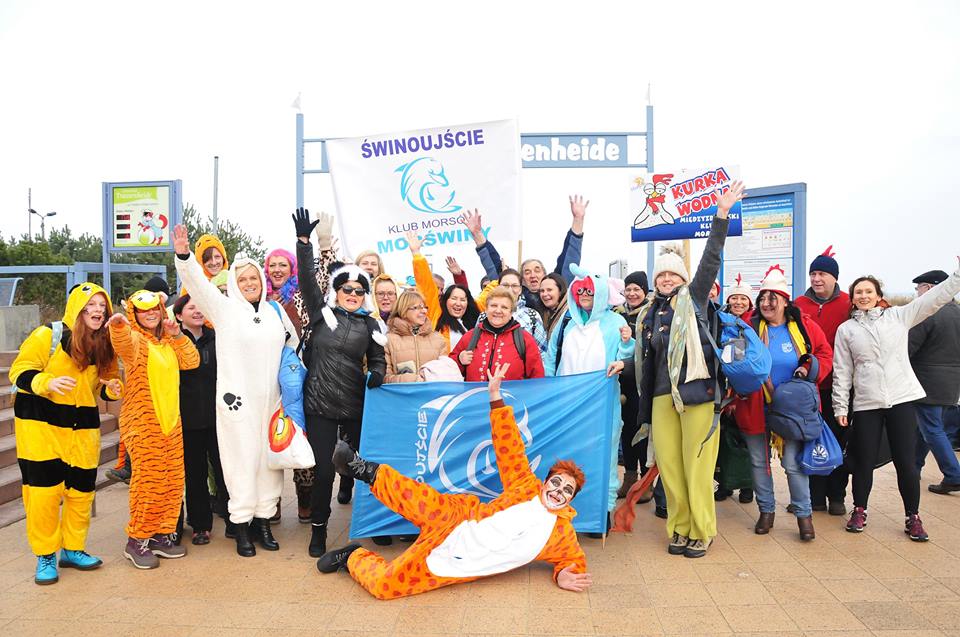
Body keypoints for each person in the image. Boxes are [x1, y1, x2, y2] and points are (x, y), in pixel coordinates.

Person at [317, 363, 592, 599]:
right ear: (545, 482)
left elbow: (573, 560)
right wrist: (495, 396)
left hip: (455, 563)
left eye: (567, 490)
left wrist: (563, 576)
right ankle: (363, 469)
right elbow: (509, 445)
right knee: (417, 499)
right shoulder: (525, 485)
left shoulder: (562, 534)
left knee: (385, 587)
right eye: (556, 483)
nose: (558, 491)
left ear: (571, 499)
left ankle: (352, 557)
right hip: (458, 518)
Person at [633, 181, 744, 558]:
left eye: (673, 275)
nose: (666, 279)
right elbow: (647, 361)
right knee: (671, 468)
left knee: (697, 468)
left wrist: (721, 215)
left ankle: (702, 530)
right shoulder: (650, 314)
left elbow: (711, 258)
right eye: (661, 275)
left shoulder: (694, 298)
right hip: (662, 398)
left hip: (697, 394)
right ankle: (679, 528)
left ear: (683, 279)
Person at [174, 224, 300, 557]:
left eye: (253, 278)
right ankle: (241, 525)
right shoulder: (225, 310)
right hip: (237, 403)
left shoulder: (275, 312)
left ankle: (263, 521)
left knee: (268, 464)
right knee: (240, 461)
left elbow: (293, 345)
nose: (249, 284)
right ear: (234, 283)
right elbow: (199, 287)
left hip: (270, 401)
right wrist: (184, 257)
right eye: (242, 279)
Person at [833, 263, 960, 541]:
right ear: (852, 298)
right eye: (858, 292)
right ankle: (859, 510)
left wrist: (957, 275)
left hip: (901, 399)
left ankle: (913, 517)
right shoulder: (846, 330)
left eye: (868, 291)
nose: (863, 296)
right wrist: (840, 406)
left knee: (906, 462)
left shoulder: (899, 317)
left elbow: (934, 298)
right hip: (867, 403)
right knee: (863, 461)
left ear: (879, 295)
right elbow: (842, 371)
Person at [10, 283, 121, 585]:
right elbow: (19, 371)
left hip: (82, 430)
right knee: (43, 495)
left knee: (81, 493)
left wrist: (112, 388)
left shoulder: (104, 343)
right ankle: (45, 554)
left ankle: (72, 549)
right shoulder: (48, 335)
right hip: (41, 428)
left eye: (102, 305)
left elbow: (105, 383)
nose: (98, 310)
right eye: (91, 305)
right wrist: (46, 382)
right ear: (77, 308)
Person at [292, 208, 387, 558]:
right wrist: (305, 243)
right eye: (347, 288)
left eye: (359, 290)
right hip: (319, 405)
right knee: (322, 473)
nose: (352, 293)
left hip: (354, 407)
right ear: (337, 289)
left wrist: (377, 373)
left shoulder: (371, 326)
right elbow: (306, 280)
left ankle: (375, 524)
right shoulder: (322, 314)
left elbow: (378, 359)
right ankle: (319, 528)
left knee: (362, 469)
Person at [732, 266, 833, 541]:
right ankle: (766, 511)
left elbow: (824, 354)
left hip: (794, 410)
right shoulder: (747, 328)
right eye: (762, 298)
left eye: (772, 298)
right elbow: (733, 359)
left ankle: (804, 515)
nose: (766, 303)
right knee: (758, 462)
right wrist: (740, 377)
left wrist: (808, 368)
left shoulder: (805, 327)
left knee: (793, 463)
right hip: (755, 405)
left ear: (785, 301)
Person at [108, 290, 200, 569]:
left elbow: (191, 361)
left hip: (171, 422)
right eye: (143, 310)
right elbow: (123, 343)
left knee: (172, 481)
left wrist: (177, 334)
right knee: (148, 482)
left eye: (154, 309)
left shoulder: (167, 341)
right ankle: (137, 539)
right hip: (143, 423)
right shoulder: (136, 341)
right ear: (134, 314)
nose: (150, 313)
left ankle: (161, 535)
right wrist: (118, 326)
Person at [794, 246, 851, 515]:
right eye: (813, 274)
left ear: (834, 278)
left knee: (838, 441)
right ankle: (815, 496)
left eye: (822, 274)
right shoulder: (799, 304)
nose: (816, 279)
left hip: (839, 388)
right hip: (809, 388)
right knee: (811, 439)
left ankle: (837, 495)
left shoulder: (848, 303)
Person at [463, 196, 585, 314]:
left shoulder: (555, 290)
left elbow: (568, 259)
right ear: (522, 281)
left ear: (544, 274)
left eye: (537, 270)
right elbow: (494, 265)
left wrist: (578, 220)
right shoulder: (515, 293)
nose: (532, 275)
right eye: (527, 272)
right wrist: (477, 234)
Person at [173, 294, 229, 545]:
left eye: (200, 306)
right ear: (178, 315)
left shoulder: (218, 338)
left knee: (224, 471)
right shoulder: (173, 342)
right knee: (195, 475)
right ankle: (200, 525)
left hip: (219, 418)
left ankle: (234, 520)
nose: (197, 311)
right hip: (188, 420)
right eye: (191, 308)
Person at [910, 269, 960, 494]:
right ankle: (913, 467)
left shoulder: (928, 313)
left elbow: (908, 349)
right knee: (925, 426)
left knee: (932, 429)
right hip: (952, 384)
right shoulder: (957, 313)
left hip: (927, 382)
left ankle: (953, 475)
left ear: (929, 288)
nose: (917, 293)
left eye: (918, 288)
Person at [713, 273, 754, 504]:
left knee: (747, 441)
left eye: (743, 298)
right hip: (724, 388)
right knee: (723, 440)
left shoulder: (754, 323)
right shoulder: (721, 321)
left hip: (747, 392)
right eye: (735, 298)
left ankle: (748, 486)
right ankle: (725, 483)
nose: (738, 302)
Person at [450, 286, 545, 382]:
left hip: (511, 392)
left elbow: (537, 378)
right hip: (475, 392)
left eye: (504, 307)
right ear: (486, 309)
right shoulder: (470, 336)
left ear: (511, 313)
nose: (498, 311)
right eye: (494, 306)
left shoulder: (524, 339)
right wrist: (459, 360)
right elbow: (448, 369)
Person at [405, 231, 478, 349]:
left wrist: (459, 277)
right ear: (446, 300)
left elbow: (489, 292)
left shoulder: (473, 320)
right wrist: (416, 254)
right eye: (453, 298)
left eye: (462, 300)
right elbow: (426, 287)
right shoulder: (436, 314)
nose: (458, 303)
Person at [384, 290, 450, 383]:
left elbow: (446, 374)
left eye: (424, 307)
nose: (424, 311)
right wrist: (411, 380)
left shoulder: (438, 338)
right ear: (404, 310)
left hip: (433, 392)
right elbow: (385, 379)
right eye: (417, 307)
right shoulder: (388, 340)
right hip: (403, 392)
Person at [476, 269, 548, 352]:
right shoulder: (484, 316)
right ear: (498, 287)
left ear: (520, 289)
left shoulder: (532, 316)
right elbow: (475, 347)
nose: (509, 289)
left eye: (514, 286)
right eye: (505, 285)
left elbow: (541, 352)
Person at [539, 273, 569, 340]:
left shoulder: (569, 313)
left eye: (549, 290)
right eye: (542, 291)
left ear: (560, 291)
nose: (544, 294)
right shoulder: (547, 314)